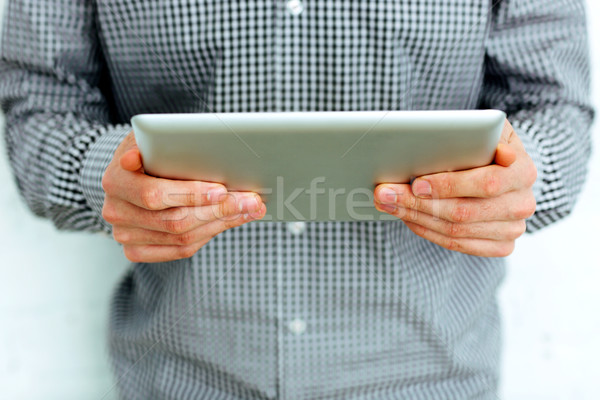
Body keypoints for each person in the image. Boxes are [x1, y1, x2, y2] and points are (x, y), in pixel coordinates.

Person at [0, 0, 593, 399]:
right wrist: (106, 175)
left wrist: (520, 178)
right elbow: (37, 108)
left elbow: (556, 106)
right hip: (182, 377)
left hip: (430, 377)